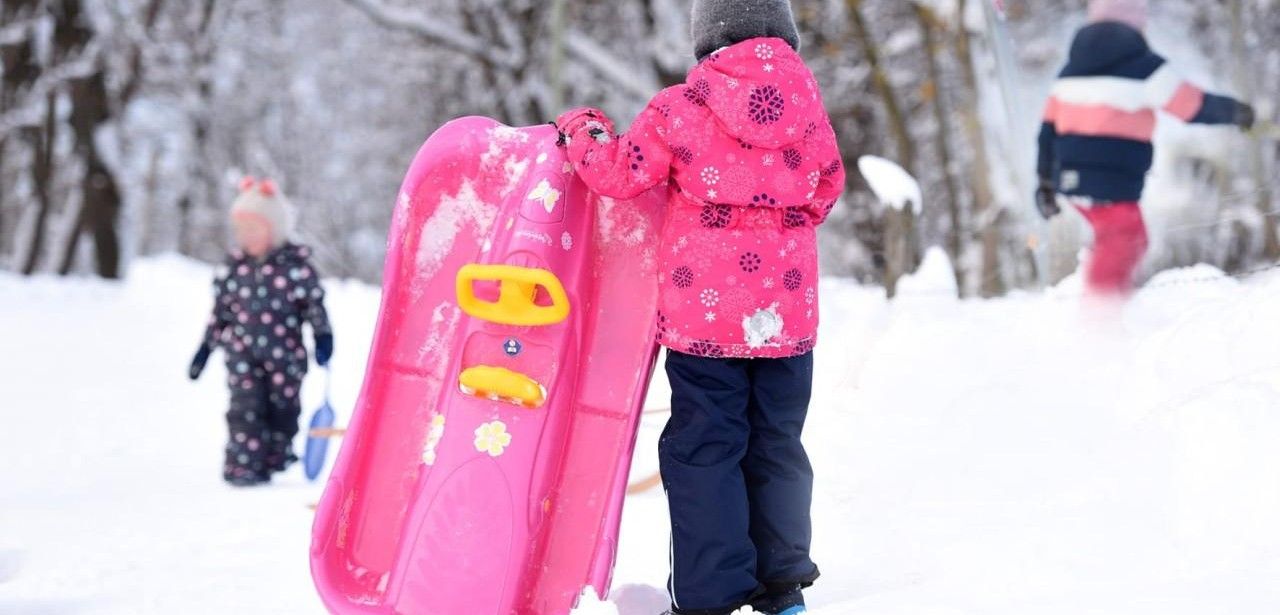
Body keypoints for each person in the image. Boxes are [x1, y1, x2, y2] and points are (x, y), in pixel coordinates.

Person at [556, 1, 844, 612]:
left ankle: (711, 594)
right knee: (776, 443)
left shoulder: (680, 108)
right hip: (786, 321)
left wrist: (582, 126)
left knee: (705, 449)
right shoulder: (807, 106)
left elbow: (618, 173)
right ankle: (782, 584)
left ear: (708, 34)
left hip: (704, 322)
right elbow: (827, 186)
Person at [1036, 0, 1256, 296]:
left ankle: (1108, 303)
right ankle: (1100, 315)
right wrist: (1236, 113)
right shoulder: (1143, 66)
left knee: (1115, 239)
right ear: (1136, 23)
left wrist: (1046, 182)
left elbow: (1047, 131)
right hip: (1110, 180)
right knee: (1126, 237)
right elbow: (1191, 106)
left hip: (1071, 179)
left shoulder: (1069, 72)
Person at [187, 177, 334, 486]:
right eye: (240, 229)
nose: (245, 236)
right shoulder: (234, 267)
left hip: (286, 358)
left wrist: (323, 337)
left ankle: (275, 456)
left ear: (274, 229)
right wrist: (205, 348)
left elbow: (314, 306)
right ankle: (242, 465)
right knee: (245, 408)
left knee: (283, 410)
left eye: (253, 229)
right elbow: (221, 312)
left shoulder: (296, 267)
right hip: (242, 355)